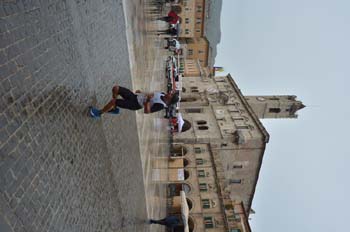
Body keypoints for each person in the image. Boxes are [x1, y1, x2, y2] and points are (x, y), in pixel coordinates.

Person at [89, 85, 179, 118]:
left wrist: (147, 101)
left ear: (170, 99)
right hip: (135, 96)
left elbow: (147, 111)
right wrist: (142, 92)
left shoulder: (161, 105)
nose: (170, 92)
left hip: (135, 104)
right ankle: (114, 109)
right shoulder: (162, 93)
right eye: (171, 92)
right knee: (116, 88)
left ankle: (99, 113)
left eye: (171, 94)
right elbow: (151, 94)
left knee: (114, 101)